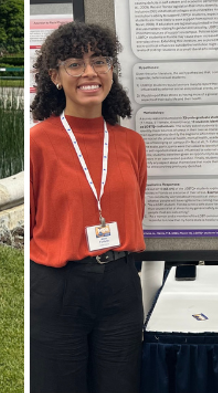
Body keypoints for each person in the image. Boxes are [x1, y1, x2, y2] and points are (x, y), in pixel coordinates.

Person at [29, 21, 147, 393]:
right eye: (74, 64)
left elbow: (136, 209)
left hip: (120, 286)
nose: (90, 72)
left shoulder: (131, 144)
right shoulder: (38, 142)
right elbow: (31, 220)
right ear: (55, 76)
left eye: (99, 60)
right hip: (59, 287)